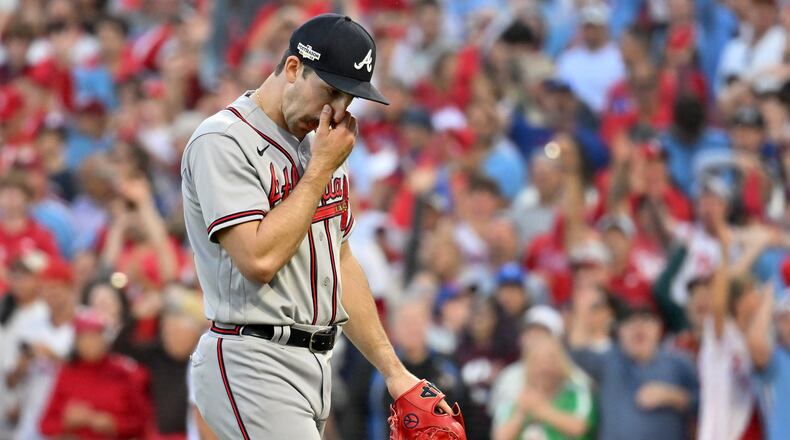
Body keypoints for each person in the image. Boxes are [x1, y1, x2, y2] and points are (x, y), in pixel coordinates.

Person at [181, 14, 455, 439]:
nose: (338, 111)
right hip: (251, 357)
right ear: (293, 68)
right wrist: (322, 168)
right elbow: (258, 259)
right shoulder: (223, 140)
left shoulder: (320, 145)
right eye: (329, 91)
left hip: (313, 364)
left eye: (349, 98)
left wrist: (394, 372)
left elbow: (340, 261)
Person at [570, 304, 698, 440]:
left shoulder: (679, 363)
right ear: (619, 331)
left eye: (646, 321)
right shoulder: (608, 361)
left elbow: (705, 405)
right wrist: (584, 307)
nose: (638, 328)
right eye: (630, 323)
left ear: (659, 328)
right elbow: (576, 354)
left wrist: (672, 396)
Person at [39, 309, 150, 439]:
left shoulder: (125, 372)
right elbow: (45, 425)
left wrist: (115, 424)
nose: (90, 343)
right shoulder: (67, 373)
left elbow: (144, 421)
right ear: (76, 342)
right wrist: (68, 423)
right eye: (84, 338)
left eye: (95, 336)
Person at [492, 335, 596, 440]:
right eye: (538, 361)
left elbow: (579, 428)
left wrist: (541, 409)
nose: (544, 367)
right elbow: (500, 437)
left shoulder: (577, 393)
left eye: (550, 360)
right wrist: (520, 413)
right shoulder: (516, 394)